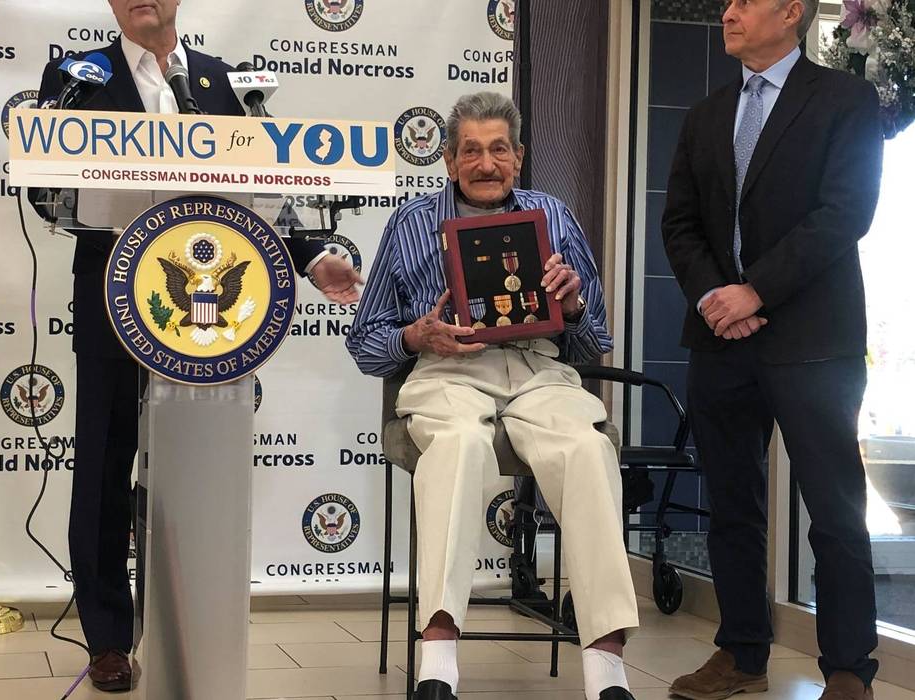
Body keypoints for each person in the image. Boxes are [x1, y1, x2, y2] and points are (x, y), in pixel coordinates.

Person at [28, 0, 364, 691]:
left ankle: (193, 618)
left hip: (212, 300)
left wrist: (310, 257)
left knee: (196, 458)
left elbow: (265, 187)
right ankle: (108, 639)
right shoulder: (78, 77)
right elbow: (42, 188)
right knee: (102, 456)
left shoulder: (222, 82)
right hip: (115, 288)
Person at [346, 91, 638, 700]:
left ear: (519, 156)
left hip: (539, 370)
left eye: (498, 150)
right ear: (449, 161)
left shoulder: (552, 216)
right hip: (446, 371)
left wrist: (574, 303)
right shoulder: (409, 222)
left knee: (587, 451)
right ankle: (438, 661)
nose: (486, 164)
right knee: (456, 445)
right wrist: (416, 333)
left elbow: (596, 337)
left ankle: (607, 673)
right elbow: (365, 343)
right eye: (471, 151)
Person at [661, 1, 884, 698]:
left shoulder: (844, 99)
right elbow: (680, 222)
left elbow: (845, 211)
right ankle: (741, 654)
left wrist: (753, 292)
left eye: (743, 2)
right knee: (731, 504)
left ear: (790, 13)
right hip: (719, 337)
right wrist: (712, 298)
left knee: (834, 508)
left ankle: (848, 668)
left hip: (813, 340)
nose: (726, 12)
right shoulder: (704, 114)